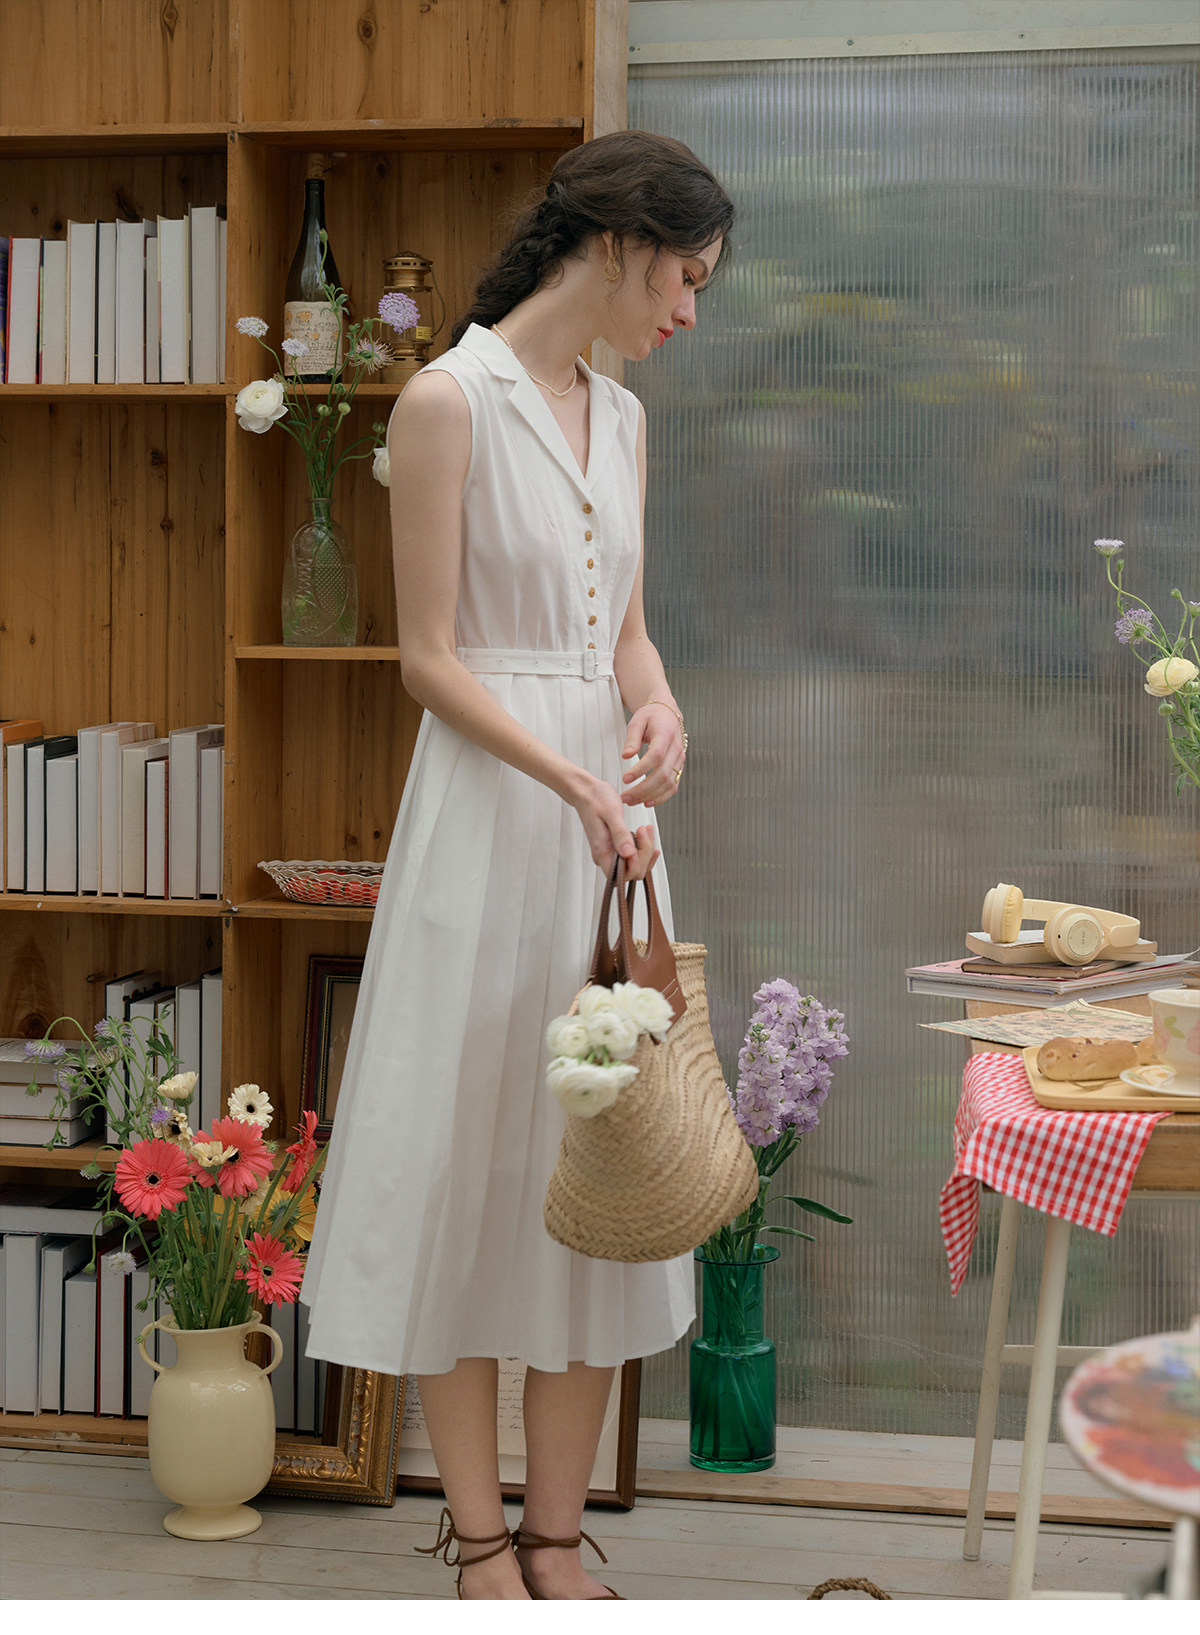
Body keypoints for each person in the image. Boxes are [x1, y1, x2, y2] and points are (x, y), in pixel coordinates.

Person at [299, 129, 733, 1601]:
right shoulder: (447, 401)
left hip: (606, 828)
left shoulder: (626, 418)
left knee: (602, 1157)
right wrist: (572, 777)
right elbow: (428, 661)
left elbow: (623, 638)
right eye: (685, 277)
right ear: (617, 246)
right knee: (469, 1163)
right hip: (493, 822)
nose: (689, 311)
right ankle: (480, 1542)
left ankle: (557, 1538)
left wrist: (659, 713)